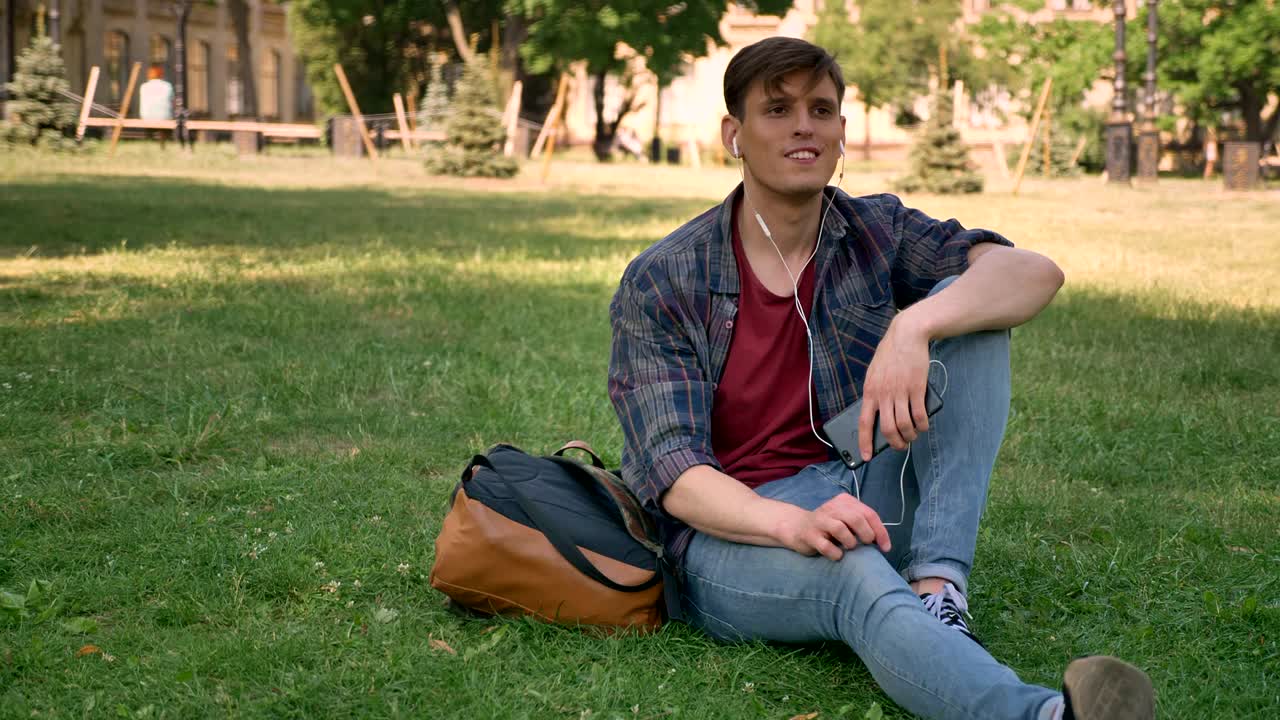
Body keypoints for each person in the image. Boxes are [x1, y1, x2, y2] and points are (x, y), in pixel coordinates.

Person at [607, 37, 1155, 720]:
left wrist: (914, 326)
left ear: (841, 135)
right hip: (736, 533)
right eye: (776, 109)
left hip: (862, 477)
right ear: (734, 135)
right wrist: (793, 523)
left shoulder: (872, 229)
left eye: (822, 109)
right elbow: (677, 476)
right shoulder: (664, 279)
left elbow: (1031, 273)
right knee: (853, 573)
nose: (803, 125)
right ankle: (1043, 716)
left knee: (973, 314)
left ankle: (937, 589)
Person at [138, 64, 174, 148]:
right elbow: (173, 101)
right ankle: (163, 143)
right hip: (164, 117)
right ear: (161, 74)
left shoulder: (144, 86)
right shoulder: (167, 86)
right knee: (166, 118)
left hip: (147, 117)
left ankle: (149, 142)